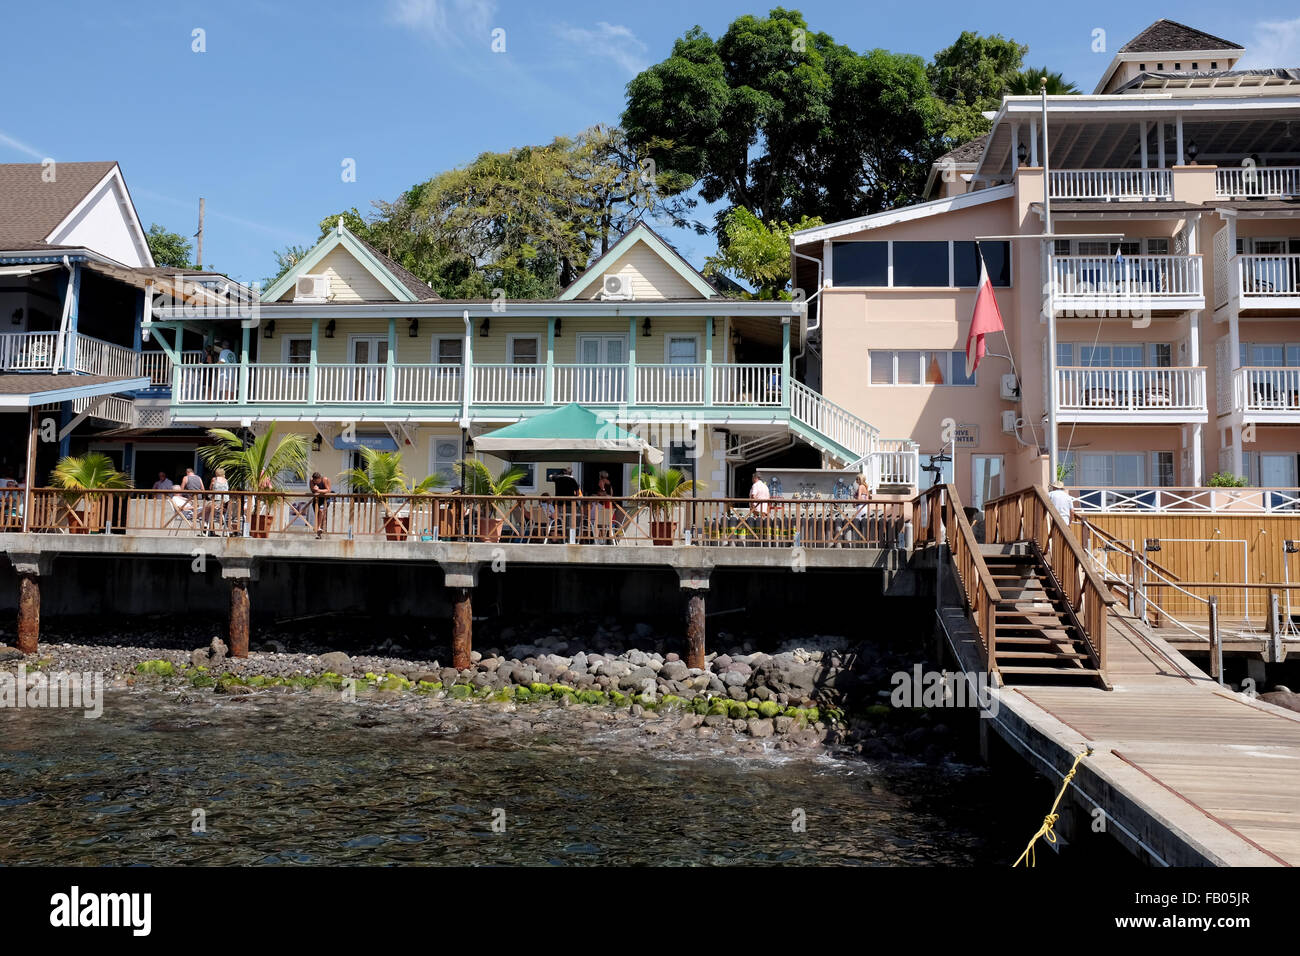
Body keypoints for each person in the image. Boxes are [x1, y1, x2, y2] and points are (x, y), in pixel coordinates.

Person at [552, 467, 581, 539]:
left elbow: (550, 476)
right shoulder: (572, 479)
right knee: (571, 520)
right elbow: (577, 493)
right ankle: (571, 536)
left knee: (562, 520)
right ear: (571, 473)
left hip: (558, 504)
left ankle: (563, 536)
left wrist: (558, 475)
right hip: (570, 504)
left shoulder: (558, 478)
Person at [309, 471, 332, 539]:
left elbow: (328, 490)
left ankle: (319, 528)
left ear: (320, 478)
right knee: (317, 514)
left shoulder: (325, 479)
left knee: (321, 511)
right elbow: (312, 490)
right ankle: (318, 532)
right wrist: (314, 489)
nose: (316, 483)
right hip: (317, 499)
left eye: (317, 481)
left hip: (325, 499)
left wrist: (318, 490)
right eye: (314, 481)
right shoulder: (311, 480)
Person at [593, 469, 614, 543]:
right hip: (610, 503)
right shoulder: (609, 482)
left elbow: (603, 491)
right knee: (606, 523)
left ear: (600, 476)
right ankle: (606, 539)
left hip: (604, 504)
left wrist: (597, 495)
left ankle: (601, 540)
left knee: (600, 523)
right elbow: (611, 493)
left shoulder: (601, 481)